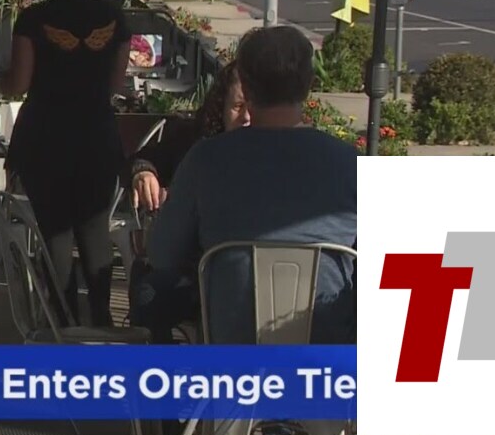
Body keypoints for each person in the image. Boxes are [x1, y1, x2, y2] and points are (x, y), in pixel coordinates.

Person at [133, 25, 357, 346]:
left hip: (231, 347)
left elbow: (162, 255)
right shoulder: (350, 163)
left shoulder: (207, 159)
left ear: (246, 87)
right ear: (309, 85)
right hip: (327, 350)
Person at [0, 0, 132, 326]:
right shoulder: (115, 19)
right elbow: (115, 85)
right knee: (94, 230)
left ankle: (61, 324)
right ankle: (103, 321)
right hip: (96, 139)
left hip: (45, 140)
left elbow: (18, 84)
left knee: (55, 232)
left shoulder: (34, 20)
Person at [129, 61, 249, 212]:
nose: (246, 117)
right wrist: (144, 173)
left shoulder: (273, 157)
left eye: (253, 107)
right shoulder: (194, 140)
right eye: (238, 106)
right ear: (222, 107)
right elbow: (146, 158)